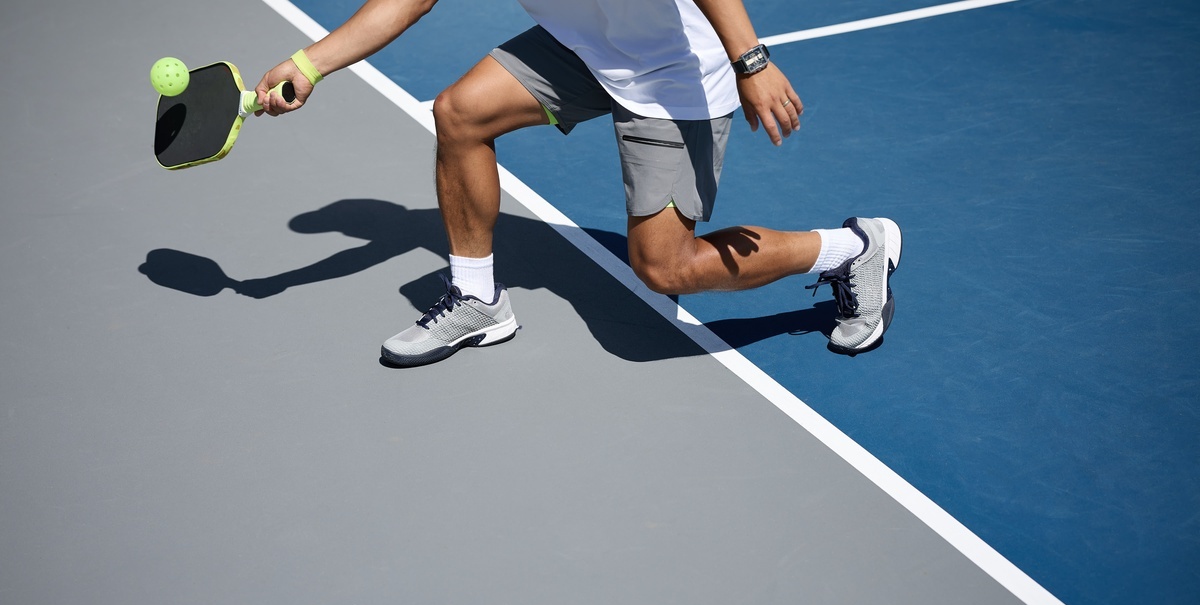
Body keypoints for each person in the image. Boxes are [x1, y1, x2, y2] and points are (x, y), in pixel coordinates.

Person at [255, 0, 901, 367]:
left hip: (673, 74)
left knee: (665, 267)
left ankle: (854, 250)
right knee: (460, 111)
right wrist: (312, 64)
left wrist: (751, 59)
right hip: (584, 48)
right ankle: (478, 301)